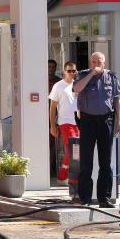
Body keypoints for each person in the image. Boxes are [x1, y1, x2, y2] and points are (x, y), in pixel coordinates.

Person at [72, 52, 120, 208]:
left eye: (98, 62)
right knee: (86, 161)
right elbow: (76, 89)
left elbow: (117, 100)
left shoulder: (112, 77)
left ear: (104, 63)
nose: (95, 64)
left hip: (106, 120)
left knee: (105, 162)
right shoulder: (82, 75)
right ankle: (85, 198)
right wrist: (91, 74)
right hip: (87, 120)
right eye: (93, 61)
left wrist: (119, 121)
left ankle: (104, 198)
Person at [49, 61, 80, 192]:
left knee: (75, 151)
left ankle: (64, 177)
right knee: (74, 150)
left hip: (78, 123)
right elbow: (52, 107)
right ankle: (70, 179)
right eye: (69, 71)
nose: (72, 73)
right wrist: (52, 125)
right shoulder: (58, 86)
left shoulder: (79, 84)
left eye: (74, 71)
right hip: (65, 123)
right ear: (64, 72)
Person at [48, 59, 61, 176]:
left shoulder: (59, 82)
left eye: (53, 67)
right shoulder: (41, 81)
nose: (51, 69)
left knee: (54, 143)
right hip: (43, 116)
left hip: (56, 116)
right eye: (49, 67)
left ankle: (52, 167)